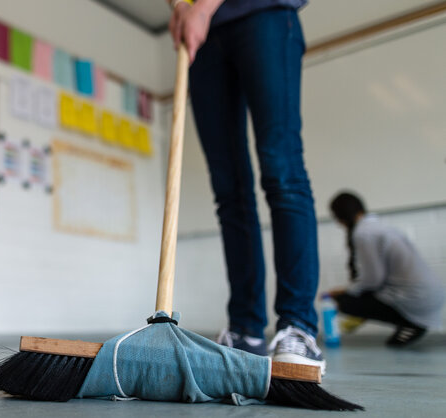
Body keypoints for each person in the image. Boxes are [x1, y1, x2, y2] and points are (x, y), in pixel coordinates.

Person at [168, 0, 325, 370]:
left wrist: (203, 8)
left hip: (264, 13)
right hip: (203, 39)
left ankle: (297, 325)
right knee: (229, 190)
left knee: (281, 171)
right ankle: (245, 329)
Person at [328, 192, 444, 347]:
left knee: (344, 302)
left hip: (417, 299)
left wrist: (346, 291)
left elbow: (373, 279)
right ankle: (409, 324)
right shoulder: (379, 225)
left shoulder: (363, 233)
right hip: (432, 294)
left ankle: (412, 324)